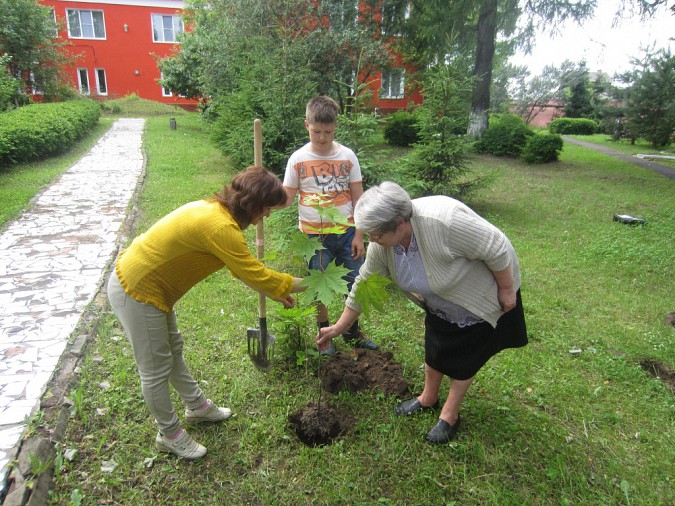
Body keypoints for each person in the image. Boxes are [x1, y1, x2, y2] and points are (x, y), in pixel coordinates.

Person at [107, 166, 305, 460]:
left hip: (151, 289)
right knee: (155, 369)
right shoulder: (221, 227)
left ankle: (197, 408)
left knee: (173, 350)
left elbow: (243, 272)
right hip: (136, 289)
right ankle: (169, 435)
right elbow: (255, 273)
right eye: (267, 209)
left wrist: (275, 293)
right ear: (253, 204)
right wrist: (311, 284)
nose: (267, 216)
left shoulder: (215, 211)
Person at [317, 182, 527, 444]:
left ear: (400, 224)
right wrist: (339, 327)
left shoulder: (444, 222)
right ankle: (428, 397)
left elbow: (494, 246)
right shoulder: (383, 244)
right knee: (436, 345)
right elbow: (362, 284)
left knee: (465, 357)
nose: (372, 240)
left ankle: (449, 415)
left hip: (481, 293)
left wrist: (507, 289)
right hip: (440, 300)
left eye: (376, 235)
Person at [283, 95, 378, 355]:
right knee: (319, 285)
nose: (322, 137)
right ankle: (324, 333)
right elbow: (287, 197)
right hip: (314, 237)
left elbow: (359, 199)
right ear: (306, 125)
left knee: (355, 283)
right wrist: (262, 203)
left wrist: (360, 234)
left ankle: (351, 330)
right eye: (316, 132)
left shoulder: (347, 156)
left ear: (336, 128)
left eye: (328, 132)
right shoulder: (298, 160)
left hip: (347, 233)